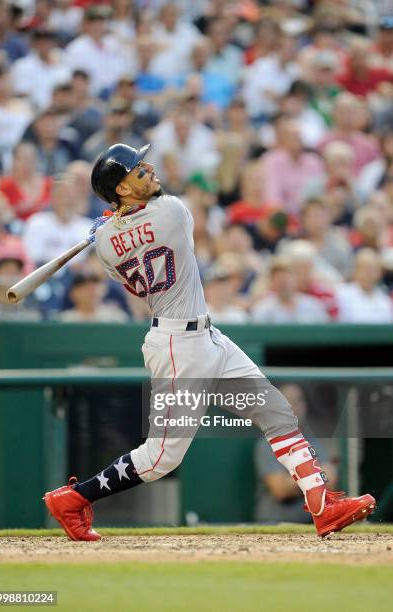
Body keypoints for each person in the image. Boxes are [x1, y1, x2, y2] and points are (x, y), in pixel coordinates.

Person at [43, 142, 375, 541]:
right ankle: (74, 498)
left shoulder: (105, 247)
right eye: (136, 170)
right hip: (178, 347)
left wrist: (112, 224)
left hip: (204, 336)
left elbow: (126, 246)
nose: (148, 168)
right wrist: (116, 219)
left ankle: (322, 505)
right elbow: (151, 213)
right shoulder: (172, 212)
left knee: (276, 412)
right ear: (124, 190)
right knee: (160, 459)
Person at [254, 383, 337, 524]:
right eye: (286, 402)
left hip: (312, 524)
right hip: (275, 525)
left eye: (297, 401)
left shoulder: (312, 441)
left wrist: (297, 479)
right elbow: (281, 490)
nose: (293, 407)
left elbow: (331, 483)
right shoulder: (267, 444)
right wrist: (316, 478)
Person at [251, 256, 329, 324]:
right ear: (272, 282)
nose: (284, 284)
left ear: (296, 279)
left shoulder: (313, 306)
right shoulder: (263, 309)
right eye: (279, 280)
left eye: (287, 279)